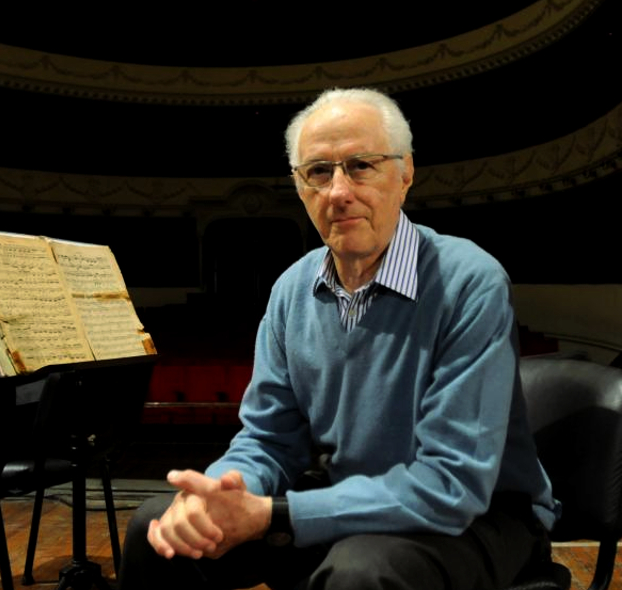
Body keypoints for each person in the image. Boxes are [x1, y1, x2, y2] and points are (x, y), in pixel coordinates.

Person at [118, 87, 559, 590]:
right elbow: (268, 439)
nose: (338, 191)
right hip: (345, 500)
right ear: (299, 186)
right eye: (319, 172)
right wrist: (218, 493)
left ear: (406, 173)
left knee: (361, 572)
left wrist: (274, 515)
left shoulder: (470, 281)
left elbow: (452, 483)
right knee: (157, 531)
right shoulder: (290, 289)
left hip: (481, 515)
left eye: (361, 166)